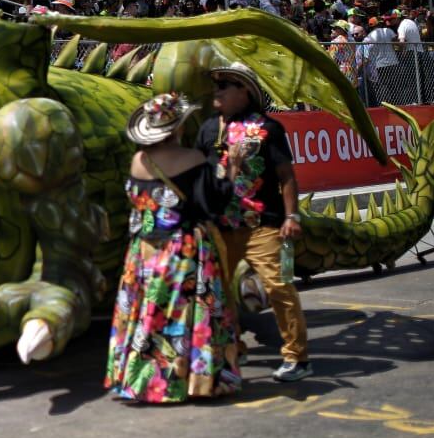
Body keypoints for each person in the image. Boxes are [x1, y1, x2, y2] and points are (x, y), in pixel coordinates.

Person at [105, 91, 242, 403]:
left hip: (143, 251)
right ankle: (192, 381)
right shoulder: (191, 159)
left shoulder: (138, 161)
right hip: (182, 249)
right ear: (178, 127)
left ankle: (143, 381)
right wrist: (232, 169)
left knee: (146, 314)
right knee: (182, 315)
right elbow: (213, 203)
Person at [197, 62, 311, 383]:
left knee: (279, 285)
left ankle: (297, 356)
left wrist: (291, 216)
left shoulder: (268, 128)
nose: (217, 91)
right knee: (217, 292)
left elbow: (286, 176)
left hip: (264, 224)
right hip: (221, 227)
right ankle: (233, 346)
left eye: (224, 85)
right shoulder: (207, 129)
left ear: (244, 91)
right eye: (216, 84)